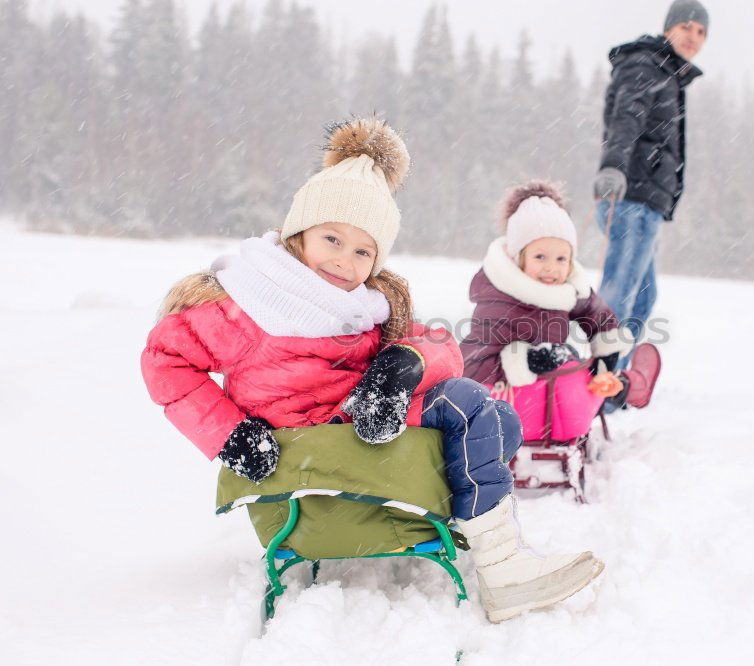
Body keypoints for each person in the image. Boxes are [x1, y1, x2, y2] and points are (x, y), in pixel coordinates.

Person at [139, 118, 603, 623]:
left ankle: (501, 558)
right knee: (473, 410)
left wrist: (399, 367)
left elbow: (442, 345)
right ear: (299, 233)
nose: (345, 261)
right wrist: (231, 433)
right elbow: (166, 361)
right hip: (299, 459)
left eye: (364, 251)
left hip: (355, 432)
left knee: (494, 419)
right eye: (332, 239)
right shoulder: (248, 300)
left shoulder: (366, 306)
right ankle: (502, 565)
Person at [460, 180, 662, 428]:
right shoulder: (499, 299)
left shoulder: (565, 288)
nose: (551, 268)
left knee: (580, 369)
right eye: (540, 257)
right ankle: (628, 385)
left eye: (561, 258)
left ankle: (621, 385)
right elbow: (472, 364)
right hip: (508, 406)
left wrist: (606, 351)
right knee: (572, 370)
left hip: (548, 395)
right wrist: (526, 359)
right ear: (517, 258)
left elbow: (594, 312)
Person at [593, 0, 708, 359]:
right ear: (669, 27)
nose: (693, 37)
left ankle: (617, 377)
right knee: (621, 293)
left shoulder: (669, 74)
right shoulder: (646, 64)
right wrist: (613, 166)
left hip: (648, 200)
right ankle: (602, 379)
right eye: (686, 27)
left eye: (701, 32)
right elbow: (626, 116)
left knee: (642, 296)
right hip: (631, 195)